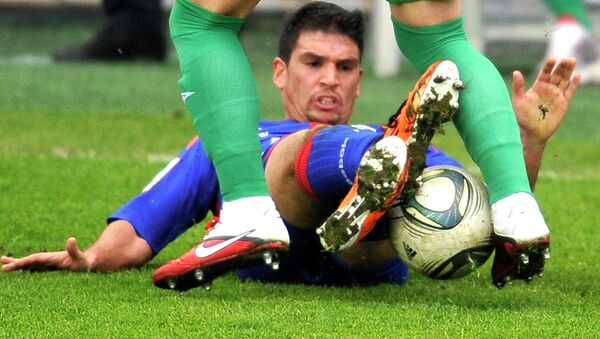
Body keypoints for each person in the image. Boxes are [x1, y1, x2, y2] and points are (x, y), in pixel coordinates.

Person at [1, 3, 580, 289]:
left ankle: (263, 209)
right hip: (344, 180)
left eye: (345, 66)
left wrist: (532, 139)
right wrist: (91, 257)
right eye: (314, 63)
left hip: (361, 244)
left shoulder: (232, 143)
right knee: (439, 33)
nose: (330, 78)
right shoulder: (235, 140)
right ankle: (378, 172)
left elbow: (464, 210)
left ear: (359, 79)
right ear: (279, 73)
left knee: (203, 18)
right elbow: (142, 225)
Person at [54, 0, 166, 62]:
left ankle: (125, 36)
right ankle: (145, 45)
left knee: (127, 24)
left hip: (124, 26)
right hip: (154, 33)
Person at [541, 0, 600, 85]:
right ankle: (591, 73)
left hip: (569, 29)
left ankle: (589, 74)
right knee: (553, 72)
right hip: (583, 29)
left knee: (553, 74)